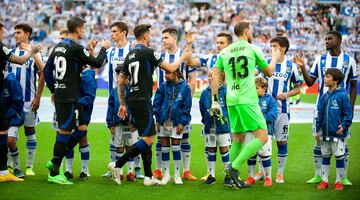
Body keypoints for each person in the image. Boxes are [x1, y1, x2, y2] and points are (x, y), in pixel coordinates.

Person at [108, 24, 190, 186]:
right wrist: (183, 57)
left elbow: (120, 81)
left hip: (132, 99)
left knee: (145, 137)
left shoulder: (130, 54)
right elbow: (172, 68)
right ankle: (117, 165)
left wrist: (123, 103)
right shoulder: (149, 52)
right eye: (150, 35)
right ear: (145, 36)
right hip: (142, 99)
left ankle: (148, 177)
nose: (152, 37)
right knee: (150, 139)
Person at [210, 21, 281, 189]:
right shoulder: (252, 48)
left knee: (238, 138)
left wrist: (214, 100)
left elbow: (214, 73)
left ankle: (229, 176)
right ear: (247, 31)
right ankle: (234, 168)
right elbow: (269, 72)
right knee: (262, 136)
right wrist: (275, 58)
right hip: (247, 99)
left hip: (231, 99)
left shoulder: (225, 51)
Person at [44, 16, 111, 185]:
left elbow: (46, 70)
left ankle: (55, 160)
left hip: (65, 95)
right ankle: (54, 171)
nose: (84, 30)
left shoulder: (59, 46)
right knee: (65, 131)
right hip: (67, 97)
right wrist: (103, 48)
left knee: (82, 128)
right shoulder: (75, 47)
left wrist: (53, 89)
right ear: (78, 29)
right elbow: (96, 62)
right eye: (83, 28)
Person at [294, 31, 357, 185]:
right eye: (325, 39)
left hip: (340, 109)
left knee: (343, 142)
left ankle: (343, 177)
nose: (326, 41)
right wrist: (302, 68)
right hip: (320, 107)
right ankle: (318, 175)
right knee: (318, 141)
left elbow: (353, 85)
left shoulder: (349, 61)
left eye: (330, 39)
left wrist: (350, 106)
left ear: (339, 40)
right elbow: (310, 83)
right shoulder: (320, 59)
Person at [185, 31, 232, 180]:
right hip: (211, 100)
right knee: (211, 143)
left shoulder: (235, 59)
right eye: (217, 42)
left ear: (229, 44)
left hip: (229, 102)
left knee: (228, 145)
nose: (218, 45)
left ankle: (230, 174)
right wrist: (189, 44)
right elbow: (190, 62)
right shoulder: (210, 58)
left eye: (222, 43)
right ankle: (210, 173)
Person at [101, 21, 144, 179]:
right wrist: (96, 50)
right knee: (116, 136)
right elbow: (97, 63)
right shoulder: (110, 52)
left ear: (124, 32)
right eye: (111, 31)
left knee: (133, 134)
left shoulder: (132, 49)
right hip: (114, 96)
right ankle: (114, 167)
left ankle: (136, 168)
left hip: (132, 96)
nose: (112, 34)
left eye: (114, 31)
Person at [153, 27, 197, 181]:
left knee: (183, 138)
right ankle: (159, 170)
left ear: (174, 38)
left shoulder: (184, 55)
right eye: (162, 38)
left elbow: (192, 79)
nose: (163, 41)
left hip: (180, 103)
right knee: (161, 139)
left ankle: (185, 171)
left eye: (166, 38)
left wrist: (187, 99)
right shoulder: (159, 56)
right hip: (164, 101)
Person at [0, 22, 41, 182]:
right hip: (11, 102)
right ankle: (12, 166)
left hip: (29, 100)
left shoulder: (35, 54)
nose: (14, 35)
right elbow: (18, 62)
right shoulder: (9, 52)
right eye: (13, 32)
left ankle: (29, 167)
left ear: (27, 34)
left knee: (30, 132)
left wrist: (38, 96)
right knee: (10, 138)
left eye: (18, 33)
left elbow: (43, 72)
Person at [257, 36, 301, 183]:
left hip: (282, 110)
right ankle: (261, 172)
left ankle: (280, 174)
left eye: (275, 46)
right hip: (264, 111)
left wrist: (287, 94)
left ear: (283, 48)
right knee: (261, 141)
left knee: (282, 142)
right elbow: (256, 79)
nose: (272, 49)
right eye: (271, 46)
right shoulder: (266, 64)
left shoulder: (291, 66)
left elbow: (298, 88)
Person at [315, 68, 353, 190]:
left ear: (335, 81)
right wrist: (317, 130)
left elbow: (348, 113)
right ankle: (324, 181)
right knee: (325, 156)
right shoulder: (324, 96)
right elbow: (319, 114)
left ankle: (338, 181)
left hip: (338, 134)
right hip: (325, 133)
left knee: (339, 156)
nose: (324, 79)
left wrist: (344, 125)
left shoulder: (342, 96)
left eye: (328, 77)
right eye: (325, 76)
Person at [153, 69, 192, 185]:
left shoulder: (185, 87)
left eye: (167, 73)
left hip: (177, 123)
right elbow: (157, 104)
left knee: (176, 146)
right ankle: (166, 174)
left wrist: (182, 123)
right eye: (164, 73)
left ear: (175, 74)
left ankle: (177, 174)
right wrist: (158, 121)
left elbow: (187, 106)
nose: (165, 76)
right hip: (164, 122)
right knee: (164, 146)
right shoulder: (163, 86)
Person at [64, 65, 97, 181]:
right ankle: (68, 170)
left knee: (82, 139)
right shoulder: (71, 72)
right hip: (70, 109)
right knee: (68, 137)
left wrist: (73, 102)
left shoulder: (87, 77)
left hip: (81, 111)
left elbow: (89, 97)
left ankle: (84, 170)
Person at [199, 70, 232, 186]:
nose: (210, 79)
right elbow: (202, 109)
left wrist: (226, 121)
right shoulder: (204, 93)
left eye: (212, 77)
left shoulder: (226, 92)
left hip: (223, 128)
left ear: (221, 80)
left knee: (224, 149)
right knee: (211, 149)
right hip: (210, 128)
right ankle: (211, 175)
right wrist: (206, 120)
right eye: (208, 77)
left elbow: (230, 110)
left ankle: (228, 174)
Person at [106, 64, 137, 183]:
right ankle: (119, 172)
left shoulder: (133, 90)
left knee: (130, 148)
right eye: (117, 75)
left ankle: (130, 172)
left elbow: (136, 107)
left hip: (130, 125)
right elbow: (110, 107)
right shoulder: (114, 91)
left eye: (121, 75)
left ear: (127, 76)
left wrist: (135, 122)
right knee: (119, 147)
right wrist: (110, 123)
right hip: (118, 124)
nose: (118, 77)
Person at [245, 77, 277, 187]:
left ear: (264, 88)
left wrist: (259, 120)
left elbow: (273, 115)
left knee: (265, 154)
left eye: (257, 88)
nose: (254, 90)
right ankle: (250, 177)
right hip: (250, 131)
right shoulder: (250, 99)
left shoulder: (270, 100)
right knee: (251, 154)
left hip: (264, 131)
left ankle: (268, 178)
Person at [1, 71, 24, 182]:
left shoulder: (11, 81)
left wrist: (7, 115)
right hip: (2, 116)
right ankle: (4, 169)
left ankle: (17, 168)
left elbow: (19, 101)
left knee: (10, 141)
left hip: (13, 116)